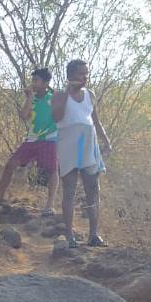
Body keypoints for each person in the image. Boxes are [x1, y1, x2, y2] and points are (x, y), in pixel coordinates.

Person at [51, 59, 112, 247]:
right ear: (70, 76)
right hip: (68, 145)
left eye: (86, 73)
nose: (84, 77)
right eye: (80, 74)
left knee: (93, 189)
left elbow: (96, 120)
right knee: (69, 190)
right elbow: (57, 117)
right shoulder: (59, 96)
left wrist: (106, 141)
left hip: (89, 144)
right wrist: (68, 92)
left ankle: (93, 235)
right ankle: (70, 236)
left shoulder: (90, 95)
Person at [0, 68, 59, 214]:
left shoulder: (53, 97)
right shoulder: (33, 99)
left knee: (52, 170)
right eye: (33, 80)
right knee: (11, 165)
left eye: (36, 80)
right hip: (32, 139)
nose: (33, 84)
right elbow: (24, 115)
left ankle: (50, 204)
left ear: (45, 83)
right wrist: (29, 97)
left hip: (49, 139)